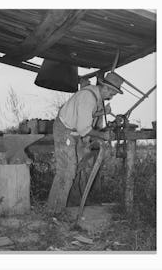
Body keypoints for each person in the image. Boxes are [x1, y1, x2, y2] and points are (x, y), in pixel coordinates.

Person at [47, 72, 124, 213]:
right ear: (105, 88)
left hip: (69, 130)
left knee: (66, 171)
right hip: (65, 130)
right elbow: (84, 129)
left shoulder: (93, 96)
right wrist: (102, 135)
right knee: (68, 172)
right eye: (112, 93)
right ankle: (55, 211)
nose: (111, 97)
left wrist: (101, 113)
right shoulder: (89, 98)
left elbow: (86, 115)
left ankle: (53, 209)